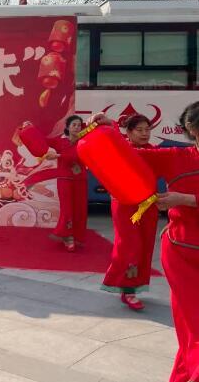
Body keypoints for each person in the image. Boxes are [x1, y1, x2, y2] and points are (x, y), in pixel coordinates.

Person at [91, 103, 199, 382]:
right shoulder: (176, 156)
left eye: (146, 129)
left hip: (164, 226)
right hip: (183, 253)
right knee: (194, 325)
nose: (144, 133)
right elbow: (126, 155)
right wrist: (108, 130)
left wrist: (186, 199)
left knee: (191, 329)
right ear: (192, 131)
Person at [101, 114, 158, 311]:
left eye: (147, 129)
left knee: (145, 245)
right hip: (125, 204)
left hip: (148, 204)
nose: (144, 133)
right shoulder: (121, 149)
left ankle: (134, 285)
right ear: (129, 132)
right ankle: (128, 290)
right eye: (139, 130)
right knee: (130, 245)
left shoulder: (155, 151)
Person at [42, 115, 88, 252]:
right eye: (74, 125)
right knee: (67, 209)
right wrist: (28, 129)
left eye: (79, 125)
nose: (77, 127)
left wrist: (59, 156)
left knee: (79, 209)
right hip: (64, 179)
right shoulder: (60, 142)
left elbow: (79, 156)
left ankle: (76, 235)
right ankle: (68, 237)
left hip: (80, 180)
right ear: (67, 127)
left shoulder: (84, 141)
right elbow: (42, 141)